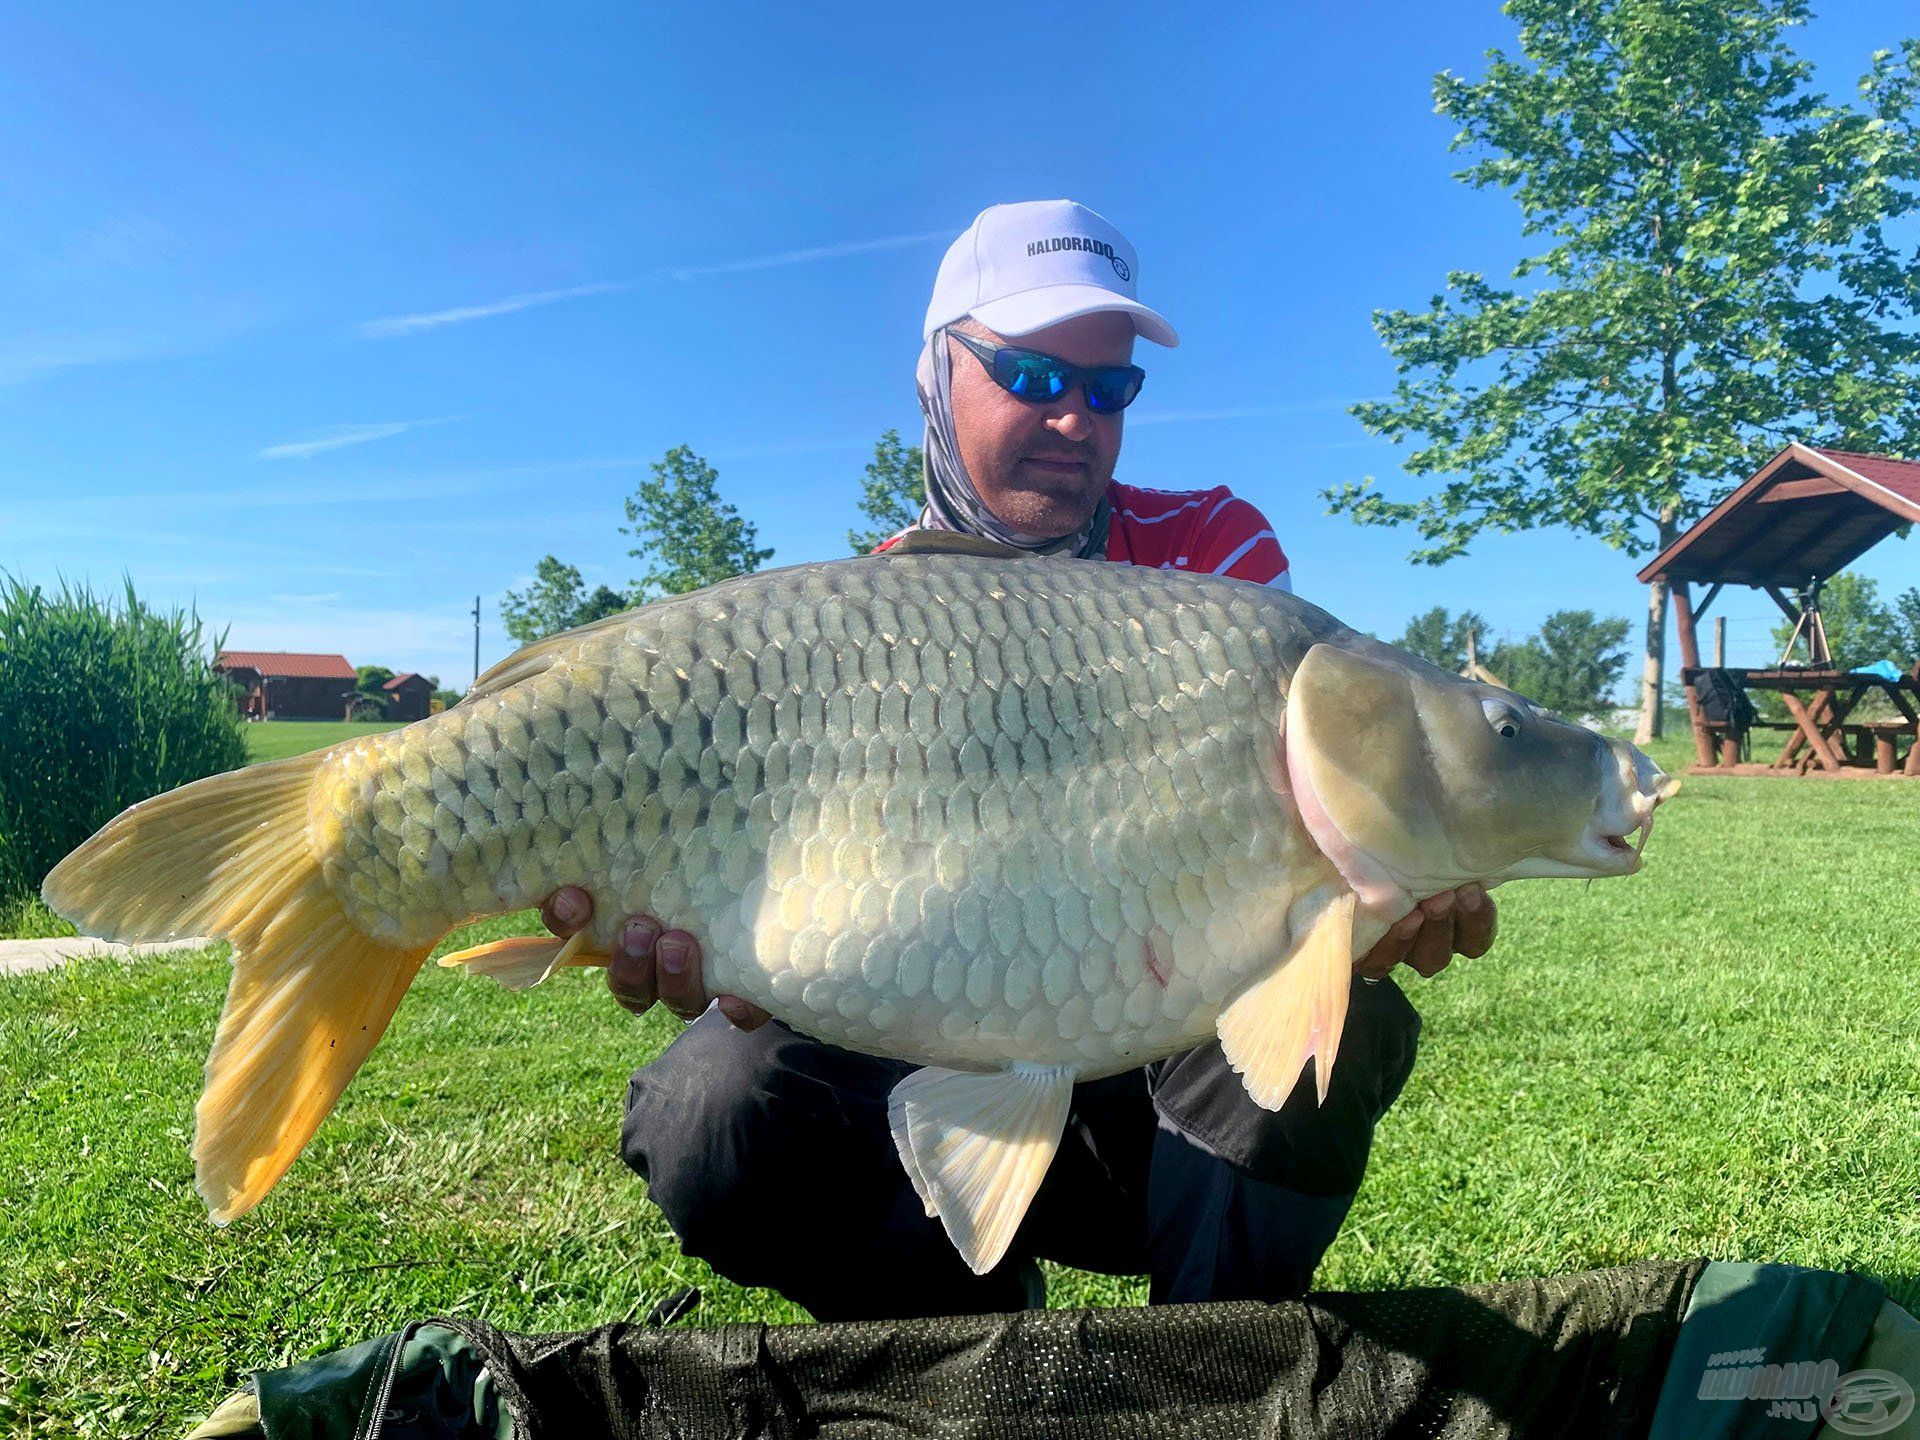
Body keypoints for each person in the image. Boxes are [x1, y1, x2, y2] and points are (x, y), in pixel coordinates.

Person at [539, 200, 1497, 1319]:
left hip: (1153, 1106)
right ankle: (957, 1355)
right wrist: (752, 966)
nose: (1076, 419)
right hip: (933, 1062)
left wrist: (1370, 894)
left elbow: (1304, 845)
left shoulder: (1216, 560)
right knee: (709, 1106)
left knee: (1349, 1013)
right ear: (938, 376)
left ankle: (1214, 1365)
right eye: (1034, 378)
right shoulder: (862, 624)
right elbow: (826, 933)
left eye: (1110, 388)